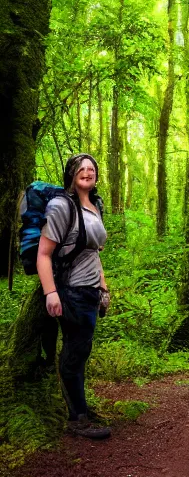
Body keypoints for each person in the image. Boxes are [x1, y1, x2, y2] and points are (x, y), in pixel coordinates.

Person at [36, 153, 111, 439]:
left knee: (82, 350)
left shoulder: (96, 204)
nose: (87, 172)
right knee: (74, 353)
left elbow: (94, 253)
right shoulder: (60, 206)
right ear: (71, 173)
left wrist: (103, 287)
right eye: (81, 168)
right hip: (71, 292)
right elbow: (44, 255)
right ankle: (77, 419)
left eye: (91, 168)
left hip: (90, 292)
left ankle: (80, 410)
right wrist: (51, 293)